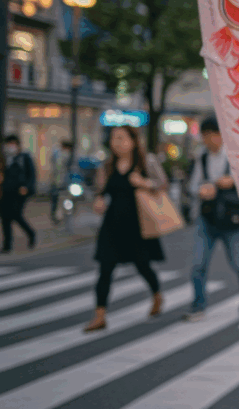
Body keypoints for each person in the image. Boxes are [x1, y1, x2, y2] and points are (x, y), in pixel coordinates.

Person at [84, 125, 167, 332]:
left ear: (133, 141)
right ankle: (100, 315)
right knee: (105, 269)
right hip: (112, 225)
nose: (117, 143)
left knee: (143, 265)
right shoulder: (108, 166)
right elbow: (101, 191)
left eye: (121, 138)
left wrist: (144, 182)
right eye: (114, 138)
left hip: (138, 224)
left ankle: (157, 295)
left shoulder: (145, 161)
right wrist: (99, 200)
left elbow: (163, 184)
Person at [183, 117, 239, 322]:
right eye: (206, 135)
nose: (209, 139)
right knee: (198, 264)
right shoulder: (201, 158)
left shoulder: (235, 156)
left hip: (232, 219)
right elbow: (192, 186)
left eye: (213, 134)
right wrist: (203, 189)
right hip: (208, 217)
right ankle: (198, 305)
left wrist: (232, 182)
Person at [1, 135, 37, 253]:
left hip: (20, 191)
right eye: (8, 144)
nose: (10, 146)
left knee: (16, 214)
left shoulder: (24, 157)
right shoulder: (5, 158)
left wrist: (26, 187)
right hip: (6, 191)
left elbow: (32, 174)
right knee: (5, 217)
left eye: (12, 144)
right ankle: (7, 245)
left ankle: (31, 233)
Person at [50, 140, 74, 221]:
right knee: (55, 200)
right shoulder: (57, 155)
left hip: (65, 183)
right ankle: (56, 216)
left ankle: (65, 215)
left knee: (66, 200)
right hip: (57, 182)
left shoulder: (70, 157)